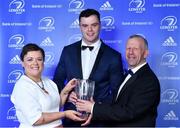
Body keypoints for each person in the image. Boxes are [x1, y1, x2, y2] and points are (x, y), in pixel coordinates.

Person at [53, 8, 124, 126]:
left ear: (100, 25)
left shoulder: (113, 56)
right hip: (71, 118)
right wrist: (66, 94)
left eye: (94, 25)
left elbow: (118, 92)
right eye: (85, 26)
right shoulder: (67, 51)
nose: (89, 30)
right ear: (80, 27)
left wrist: (95, 106)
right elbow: (57, 82)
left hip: (100, 120)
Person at [76, 34, 161, 127]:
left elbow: (128, 112)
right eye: (128, 48)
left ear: (146, 53)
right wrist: (94, 107)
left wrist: (93, 108)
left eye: (136, 49)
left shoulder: (148, 80)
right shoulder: (127, 74)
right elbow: (117, 104)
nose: (131, 52)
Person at [11, 43, 84, 128]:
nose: (35, 63)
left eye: (39, 59)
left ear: (43, 62)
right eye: (30, 59)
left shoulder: (48, 82)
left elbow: (55, 107)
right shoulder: (22, 87)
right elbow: (37, 119)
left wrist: (66, 91)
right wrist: (65, 114)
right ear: (22, 63)